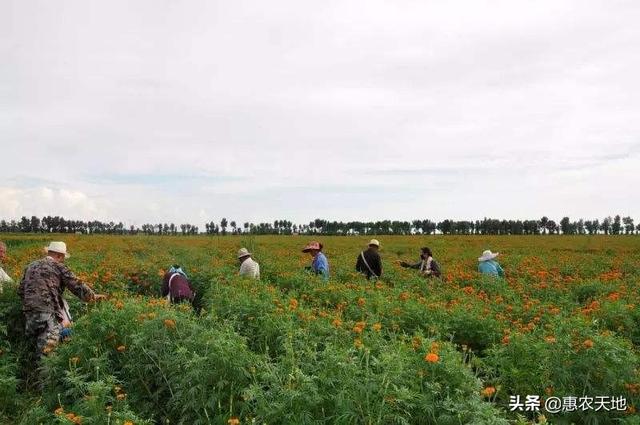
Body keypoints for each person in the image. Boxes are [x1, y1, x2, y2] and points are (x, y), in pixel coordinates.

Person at [18, 241, 106, 356]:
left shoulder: (30, 266)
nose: (63, 260)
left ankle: (32, 369)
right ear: (59, 256)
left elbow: (20, 291)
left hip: (29, 313)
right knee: (48, 352)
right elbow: (76, 285)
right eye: (63, 258)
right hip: (47, 313)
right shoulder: (59, 266)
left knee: (39, 344)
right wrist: (92, 297)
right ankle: (44, 371)